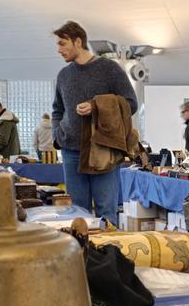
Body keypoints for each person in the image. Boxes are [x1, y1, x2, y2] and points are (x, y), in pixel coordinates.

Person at [51, 20, 137, 224]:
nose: (59, 50)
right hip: (71, 151)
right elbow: (57, 110)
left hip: (103, 150)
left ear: (77, 42)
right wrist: (57, 134)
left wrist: (97, 106)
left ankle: (108, 246)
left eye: (62, 43)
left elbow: (131, 103)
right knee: (77, 214)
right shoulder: (64, 75)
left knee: (106, 212)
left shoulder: (110, 69)